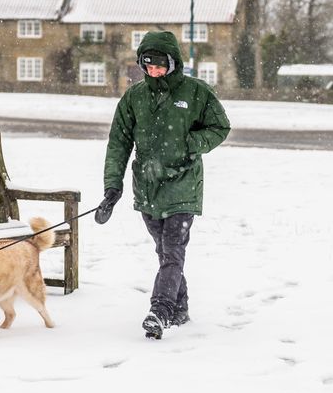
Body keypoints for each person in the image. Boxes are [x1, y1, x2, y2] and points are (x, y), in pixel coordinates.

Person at [95, 31, 231, 340]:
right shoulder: (135, 97)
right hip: (148, 187)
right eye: (147, 65)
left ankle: (161, 311)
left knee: (172, 251)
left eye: (159, 65)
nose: (153, 71)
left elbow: (220, 127)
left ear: (172, 63)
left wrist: (192, 142)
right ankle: (180, 308)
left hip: (183, 184)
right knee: (165, 251)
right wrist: (111, 188)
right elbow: (118, 143)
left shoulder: (196, 92)